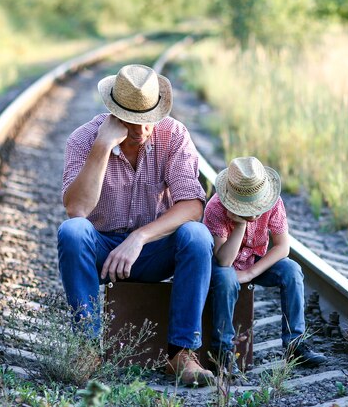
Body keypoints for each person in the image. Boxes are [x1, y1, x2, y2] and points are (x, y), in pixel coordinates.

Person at [58, 64, 214, 386]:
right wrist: (102, 148)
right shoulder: (84, 139)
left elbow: (193, 206)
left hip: (153, 250)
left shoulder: (174, 135)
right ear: (114, 112)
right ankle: (88, 349)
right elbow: (77, 209)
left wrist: (140, 237)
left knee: (196, 236)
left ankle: (181, 354)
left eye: (148, 117)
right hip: (103, 251)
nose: (142, 128)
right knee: (72, 232)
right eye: (131, 117)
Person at [203, 156, 327, 376]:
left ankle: (295, 344)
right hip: (224, 266)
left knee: (291, 270)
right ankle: (223, 351)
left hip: (253, 260)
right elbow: (223, 260)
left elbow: (282, 247)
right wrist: (241, 222)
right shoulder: (216, 208)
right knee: (225, 278)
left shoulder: (273, 202)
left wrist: (251, 272)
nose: (256, 210)